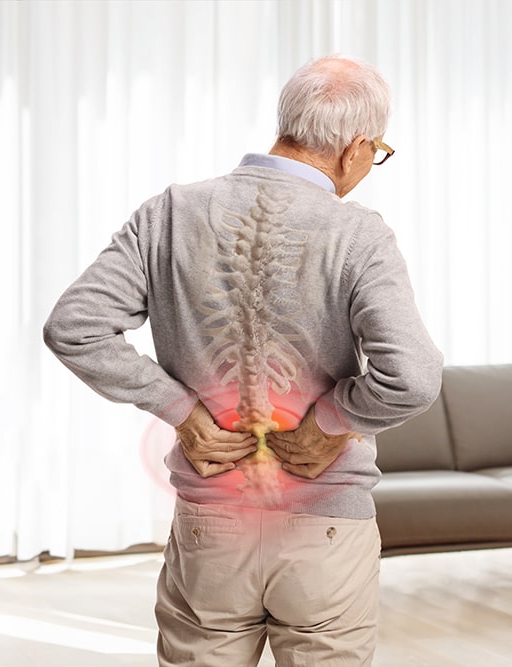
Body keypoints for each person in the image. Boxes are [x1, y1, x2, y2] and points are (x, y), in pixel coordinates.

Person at [43, 54, 443, 666]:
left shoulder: (169, 213)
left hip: (214, 520)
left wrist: (182, 410)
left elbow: (75, 327)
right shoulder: (357, 233)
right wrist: (333, 421)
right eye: (378, 152)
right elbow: (412, 377)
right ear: (356, 147)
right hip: (325, 523)